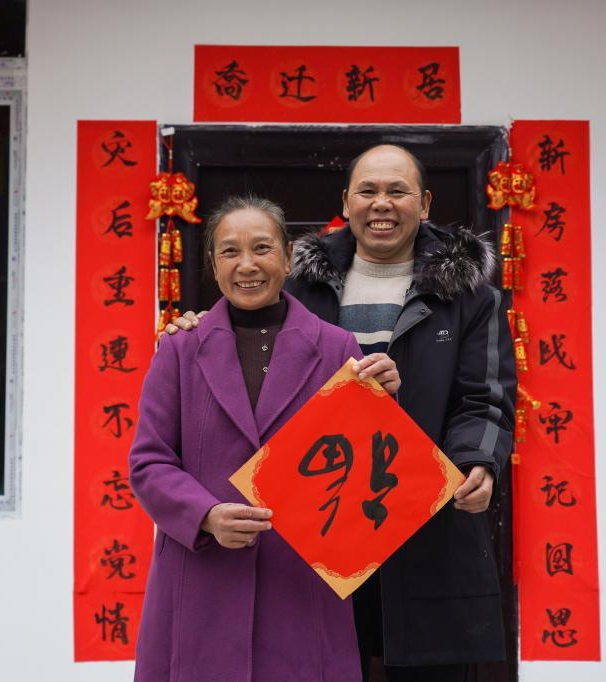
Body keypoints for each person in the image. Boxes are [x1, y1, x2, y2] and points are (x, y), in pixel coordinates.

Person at [169, 145, 517, 681]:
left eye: (397, 191)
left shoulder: (470, 295)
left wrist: (477, 461)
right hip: (319, 525)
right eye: (367, 191)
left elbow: (485, 396)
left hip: (426, 518)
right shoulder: (299, 282)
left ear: (424, 203)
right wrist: (190, 327)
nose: (382, 204)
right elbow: (242, 341)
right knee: (320, 663)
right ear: (346, 201)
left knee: (432, 667)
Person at [126, 196, 401, 682]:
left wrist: (387, 398)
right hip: (202, 577)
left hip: (301, 580)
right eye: (230, 251)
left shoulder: (336, 347)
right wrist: (205, 515)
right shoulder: (179, 348)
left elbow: (369, 465)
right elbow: (150, 462)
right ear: (213, 264)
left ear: (288, 257)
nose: (247, 265)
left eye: (262, 248)